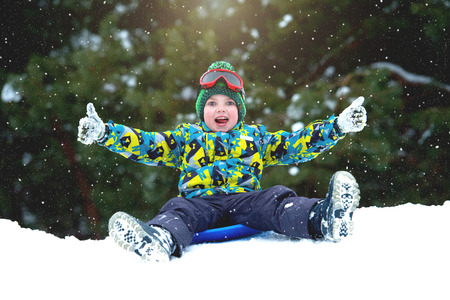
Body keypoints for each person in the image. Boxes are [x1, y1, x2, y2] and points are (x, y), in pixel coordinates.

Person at [77, 61, 367, 262]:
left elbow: (296, 145)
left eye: (229, 103)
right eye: (213, 103)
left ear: (239, 110)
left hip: (246, 202)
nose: (221, 110)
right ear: (202, 110)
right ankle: (158, 240)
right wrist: (104, 133)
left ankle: (324, 218)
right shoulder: (186, 138)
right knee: (178, 210)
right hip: (200, 203)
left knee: (277, 199)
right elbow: (146, 144)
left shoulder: (256, 138)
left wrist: (337, 126)